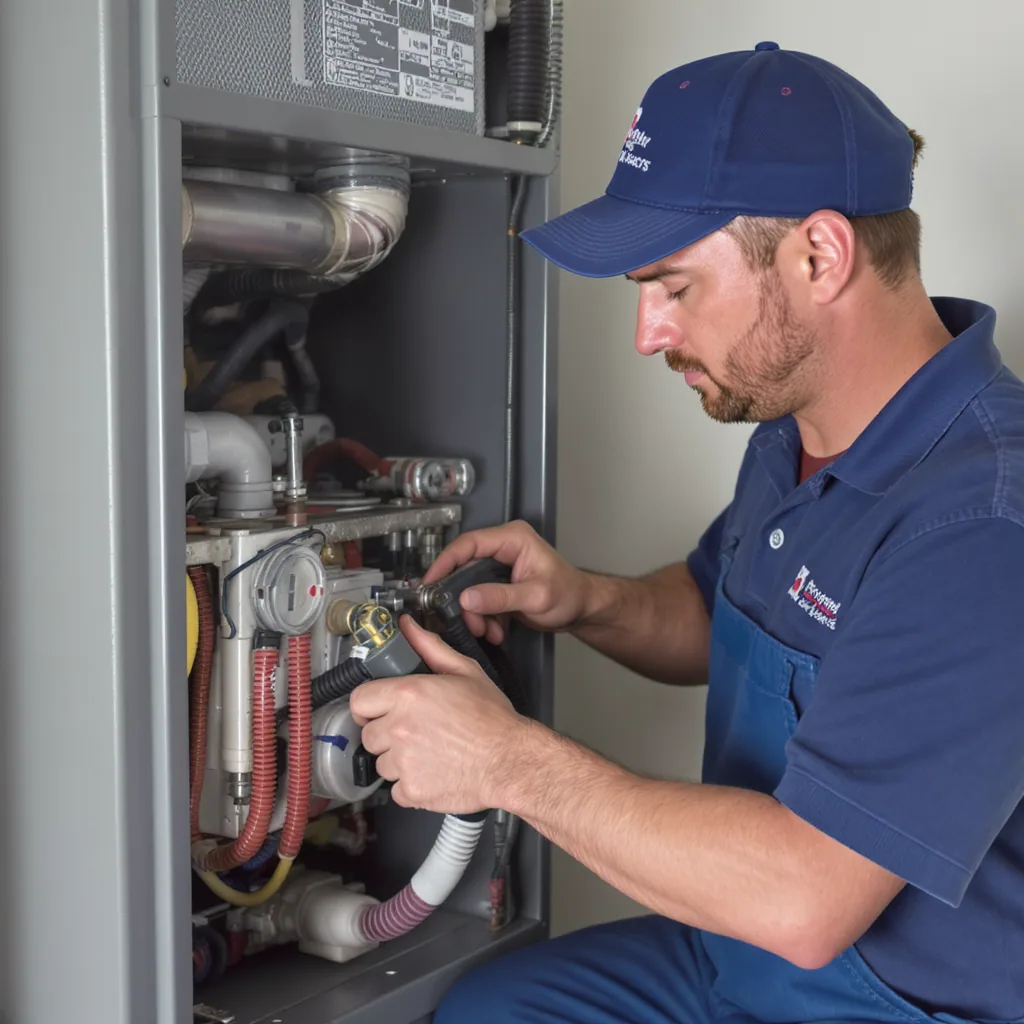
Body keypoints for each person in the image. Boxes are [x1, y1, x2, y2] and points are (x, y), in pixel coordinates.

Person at [350, 41, 1024, 1023]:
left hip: (878, 996)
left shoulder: (980, 527)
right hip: (731, 956)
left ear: (820, 255)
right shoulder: (798, 431)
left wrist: (507, 761)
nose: (648, 335)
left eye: (673, 288)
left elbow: (806, 897)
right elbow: (725, 614)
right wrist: (585, 599)